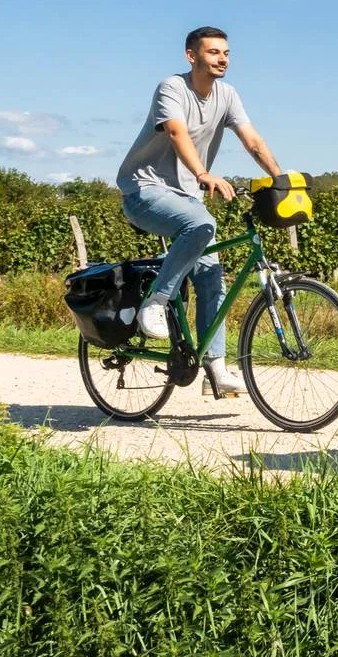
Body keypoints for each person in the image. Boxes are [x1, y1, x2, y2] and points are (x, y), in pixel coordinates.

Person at [115, 26, 285, 396]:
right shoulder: (172, 88)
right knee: (202, 224)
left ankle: (216, 369)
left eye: (226, 52)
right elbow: (177, 133)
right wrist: (203, 173)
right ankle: (155, 303)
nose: (222, 58)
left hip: (187, 195)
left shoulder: (228, 95)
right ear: (192, 56)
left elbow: (251, 140)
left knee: (211, 276)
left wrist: (281, 178)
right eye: (213, 52)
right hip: (144, 190)